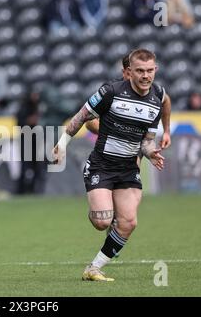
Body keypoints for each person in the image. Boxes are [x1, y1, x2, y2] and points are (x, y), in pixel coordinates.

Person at [52, 49, 165, 281]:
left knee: (129, 222)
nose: (146, 76)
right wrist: (62, 144)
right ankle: (102, 206)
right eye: (140, 71)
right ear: (129, 72)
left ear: (156, 70)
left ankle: (94, 268)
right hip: (101, 165)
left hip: (128, 170)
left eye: (150, 70)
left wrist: (151, 152)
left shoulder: (157, 99)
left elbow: (146, 141)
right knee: (102, 221)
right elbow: (82, 116)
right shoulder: (111, 91)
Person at [86, 53, 172, 152]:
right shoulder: (111, 89)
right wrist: (117, 134)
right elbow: (89, 122)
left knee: (135, 164)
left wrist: (166, 131)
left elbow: (166, 101)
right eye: (129, 74)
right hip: (110, 148)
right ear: (125, 71)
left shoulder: (156, 90)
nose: (132, 78)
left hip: (135, 147)